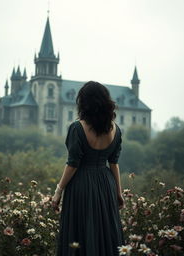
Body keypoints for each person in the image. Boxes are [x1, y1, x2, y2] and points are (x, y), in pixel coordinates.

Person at [52, 81, 126, 256]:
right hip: (106, 185)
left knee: (80, 233)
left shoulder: (77, 128)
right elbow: (114, 163)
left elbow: (73, 164)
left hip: (81, 185)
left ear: (83, 102)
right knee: (105, 232)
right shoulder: (116, 129)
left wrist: (58, 191)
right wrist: (118, 192)